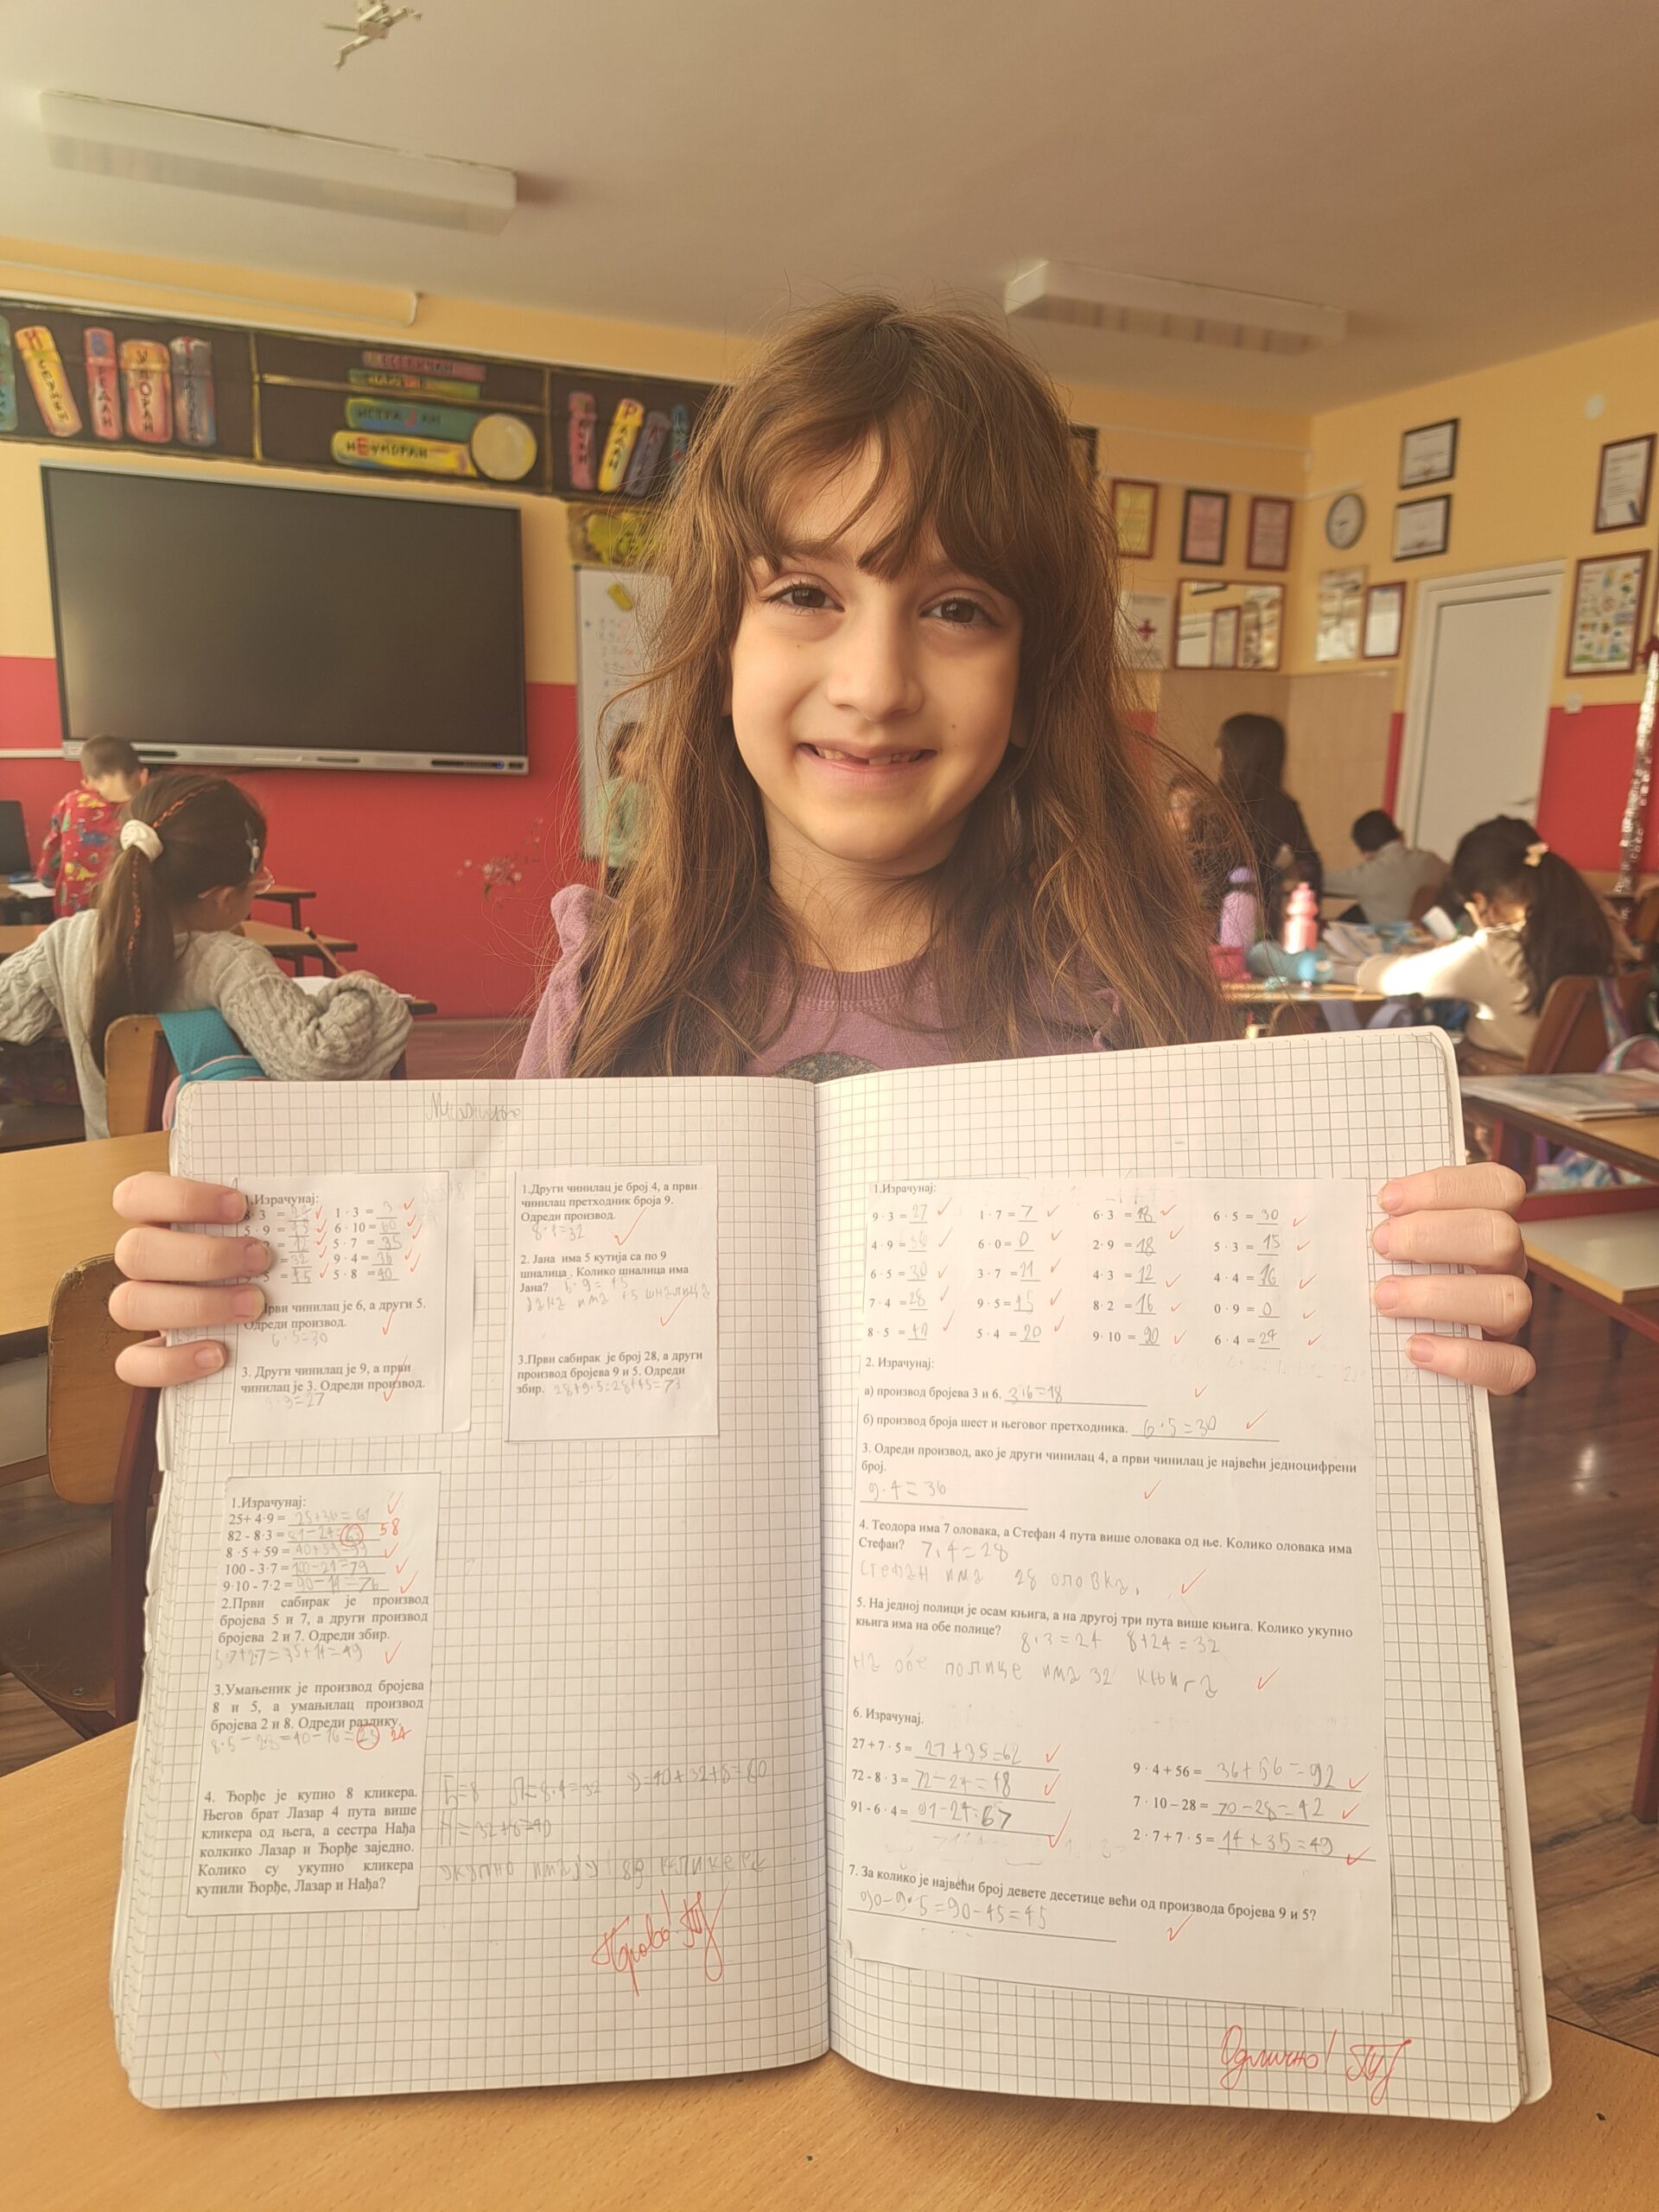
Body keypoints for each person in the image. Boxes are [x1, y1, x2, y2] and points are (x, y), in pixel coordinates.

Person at [105, 298, 1534, 1395]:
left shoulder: (1114, 998)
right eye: (804, 592)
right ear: (721, 642)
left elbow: (1209, 1350)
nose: (874, 682)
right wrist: (257, 1299)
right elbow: (496, 1320)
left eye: (958, 608)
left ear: (1034, 674)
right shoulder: (613, 986)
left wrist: (1406, 1296)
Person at [0, 770, 413, 1138]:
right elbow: (318, 1062)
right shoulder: (232, 964)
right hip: (216, 1180)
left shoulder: (66, 940)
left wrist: (74, 1001)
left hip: (109, 1176)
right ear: (223, 897)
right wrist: (360, 994)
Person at [1355, 817, 1614, 1070]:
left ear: (1480, 902)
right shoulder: (1601, 927)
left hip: (1501, 1088)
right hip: (1585, 1080)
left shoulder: (1492, 951)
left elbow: (1389, 977)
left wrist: (1364, 965)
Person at [1215, 713, 1322, 905]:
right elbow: (1310, 869)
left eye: (1223, 745)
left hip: (1208, 915)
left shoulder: (1213, 806)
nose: (1217, 750)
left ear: (1237, 753)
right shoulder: (1283, 809)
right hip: (1263, 914)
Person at [37, 734, 149, 916]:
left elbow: (52, 850)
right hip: (129, 915)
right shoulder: (148, 809)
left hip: (74, 918)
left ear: (87, 782)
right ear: (143, 777)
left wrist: (47, 878)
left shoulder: (70, 803)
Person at [1166, 770, 1259, 951]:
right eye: (1178, 805)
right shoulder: (1162, 857)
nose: (1187, 812)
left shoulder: (1218, 857)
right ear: (1166, 816)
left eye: (1195, 804)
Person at [1325, 810, 1446, 926]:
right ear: (1401, 836)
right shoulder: (1432, 861)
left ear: (1365, 854)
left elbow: (1320, 880)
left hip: (1399, 940)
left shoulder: (1368, 876)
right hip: (1441, 938)